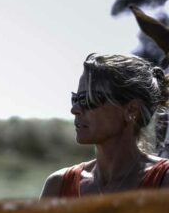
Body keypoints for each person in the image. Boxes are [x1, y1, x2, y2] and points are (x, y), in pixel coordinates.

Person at [40, 53, 169, 198]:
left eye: (88, 99)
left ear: (131, 110)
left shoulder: (163, 181)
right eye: (75, 99)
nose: (75, 110)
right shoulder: (58, 185)